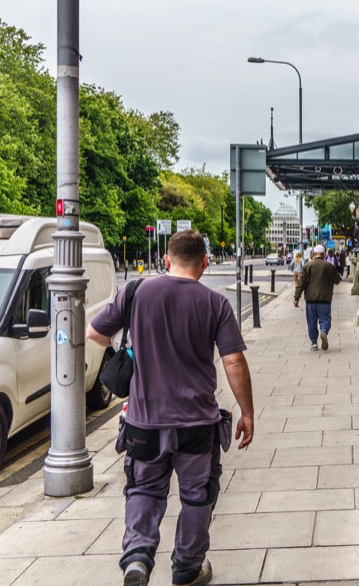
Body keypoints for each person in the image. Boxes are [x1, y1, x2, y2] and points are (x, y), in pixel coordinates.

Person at [87, 230, 255, 586]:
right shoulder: (215, 303)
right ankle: (187, 568)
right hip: (196, 423)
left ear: (166, 259)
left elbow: (96, 334)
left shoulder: (135, 292)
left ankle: (137, 558)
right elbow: (234, 362)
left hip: (143, 422)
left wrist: (133, 343)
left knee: (143, 490)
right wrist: (247, 412)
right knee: (198, 496)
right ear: (205, 263)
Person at [293, 243, 341, 351]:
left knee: (311, 322)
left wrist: (296, 298)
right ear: (324, 255)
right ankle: (323, 331)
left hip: (310, 300)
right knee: (325, 318)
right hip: (325, 299)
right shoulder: (329, 266)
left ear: (314, 254)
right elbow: (337, 281)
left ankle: (314, 343)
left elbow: (301, 283)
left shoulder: (307, 266)